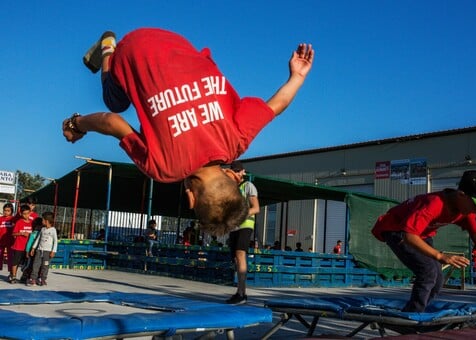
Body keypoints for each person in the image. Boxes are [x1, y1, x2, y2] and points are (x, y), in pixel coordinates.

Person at [62, 28, 314, 237]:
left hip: (176, 41)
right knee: (115, 102)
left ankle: (115, 55)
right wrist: (77, 124)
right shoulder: (163, 168)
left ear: (232, 176)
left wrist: (298, 77)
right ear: (191, 198)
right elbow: (112, 122)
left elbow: (276, 106)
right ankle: (109, 48)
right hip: (133, 49)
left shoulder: (237, 139)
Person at [371, 170, 476, 312]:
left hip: (422, 235)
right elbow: (409, 236)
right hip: (397, 230)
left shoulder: (465, 211)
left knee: (438, 280)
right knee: (428, 271)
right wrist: (440, 256)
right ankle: (413, 313)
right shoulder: (433, 204)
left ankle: (417, 309)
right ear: (461, 195)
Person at [226, 161, 260, 305]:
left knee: (240, 255)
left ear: (243, 172)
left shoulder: (248, 186)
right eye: (235, 171)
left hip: (245, 225)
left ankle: (242, 293)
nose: (237, 173)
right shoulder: (230, 189)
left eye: (239, 171)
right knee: (235, 259)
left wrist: (241, 216)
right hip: (233, 227)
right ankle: (238, 291)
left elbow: (256, 208)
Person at [29, 212, 58, 286]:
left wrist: (53, 251)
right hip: (39, 250)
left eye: (43, 220)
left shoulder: (53, 230)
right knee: (36, 265)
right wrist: (33, 248)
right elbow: (38, 239)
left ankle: (43, 279)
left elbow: (55, 242)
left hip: (47, 252)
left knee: (45, 266)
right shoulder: (42, 229)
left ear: (47, 221)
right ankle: (33, 279)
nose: (42, 221)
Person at [9, 204, 33, 283]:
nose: (26, 215)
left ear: (30, 213)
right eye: (24, 214)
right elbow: (13, 233)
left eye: (28, 213)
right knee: (15, 262)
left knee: (27, 263)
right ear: (21, 214)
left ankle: (24, 276)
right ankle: (13, 276)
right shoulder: (19, 222)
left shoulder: (32, 223)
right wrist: (22, 233)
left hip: (28, 248)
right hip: (18, 247)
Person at [0, 203, 15, 272]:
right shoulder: (1, 219)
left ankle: (11, 272)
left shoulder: (13, 219)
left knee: (10, 257)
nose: (6, 212)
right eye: (5, 210)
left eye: (8, 211)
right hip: (1, 240)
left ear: (11, 211)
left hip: (10, 241)